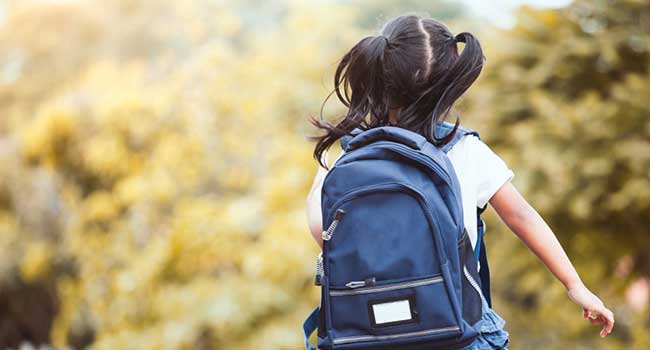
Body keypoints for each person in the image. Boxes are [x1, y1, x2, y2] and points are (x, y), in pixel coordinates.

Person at [305, 14, 614, 349]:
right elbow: (522, 217)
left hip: (368, 335)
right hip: (458, 331)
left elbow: (321, 229)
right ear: (446, 89)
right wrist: (574, 285)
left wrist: (329, 168)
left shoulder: (353, 154)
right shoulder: (464, 149)